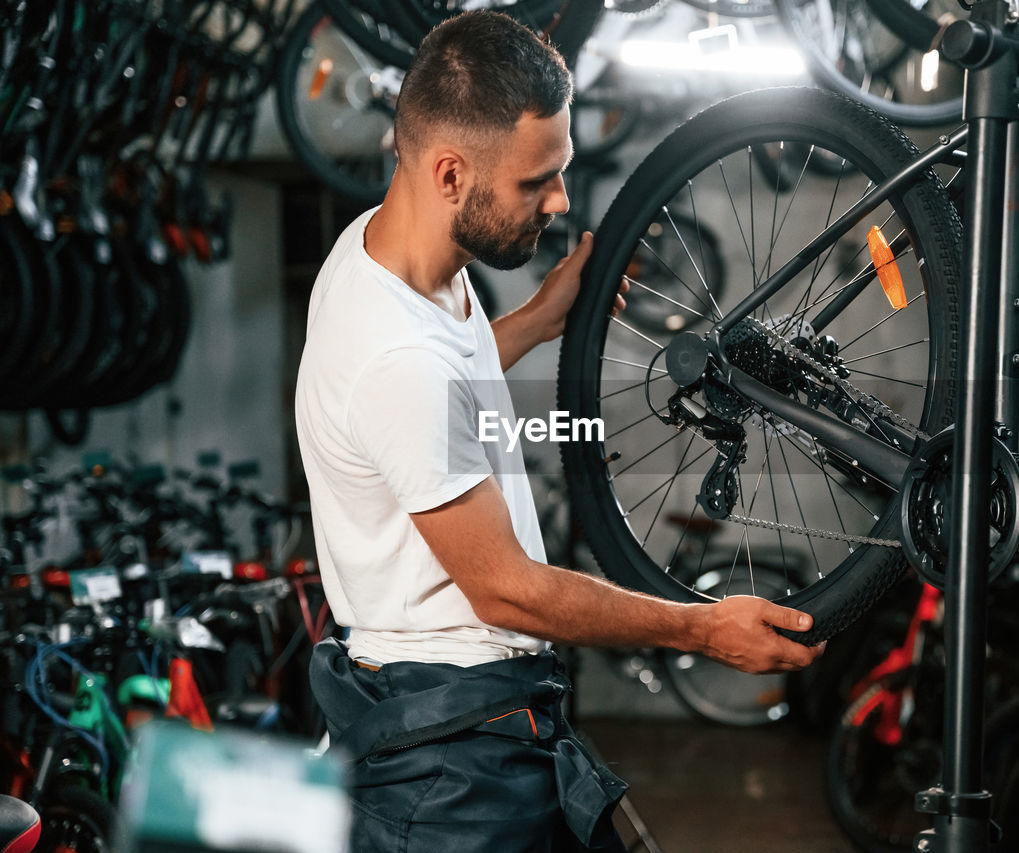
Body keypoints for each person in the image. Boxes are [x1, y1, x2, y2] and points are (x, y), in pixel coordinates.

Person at [294, 11, 822, 851]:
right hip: (452, 773)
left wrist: (537, 321)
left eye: (561, 171)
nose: (561, 201)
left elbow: (441, 388)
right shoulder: (391, 353)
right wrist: (702, 627)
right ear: (450, 174)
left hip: (479, 718)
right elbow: (504, 586)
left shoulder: (382, 253)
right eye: (535, 182)